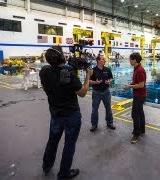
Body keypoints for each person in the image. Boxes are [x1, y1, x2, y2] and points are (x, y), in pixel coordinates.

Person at [40, 45, 93, 180]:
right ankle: (63, 174)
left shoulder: (44, 71)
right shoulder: (68, 73)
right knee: (69, 145)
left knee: (52, 141)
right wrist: (87, 76)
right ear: (62, 57)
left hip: (55, 114)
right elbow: (82, 93)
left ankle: (46, 166)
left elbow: (51, 87)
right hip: (71, 116)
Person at [124, 52, 147, 144]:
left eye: (130, 59)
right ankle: (142, 130)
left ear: (134, 60)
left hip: (140, 96)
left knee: (135, 114)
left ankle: (136, 134)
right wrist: (130, 84)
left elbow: (141, 85)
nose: (129, 61)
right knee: (140, 113)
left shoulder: (140, 70)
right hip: (139, 95)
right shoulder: (136, 68)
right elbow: (135, 81)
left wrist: (129, 87)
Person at [89, 55, 116, 132]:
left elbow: (111, 78)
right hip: (96, 93)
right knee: (94, 110)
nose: (105, 60)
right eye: (103, 59)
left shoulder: (107, 69)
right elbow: (89, 81)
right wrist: (95, 82)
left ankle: (110, 123)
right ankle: (94, 124)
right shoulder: (93, 70)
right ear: (98, 61)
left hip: (106, 92)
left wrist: (109, 81)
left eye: (104, 59)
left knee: (108, 108)